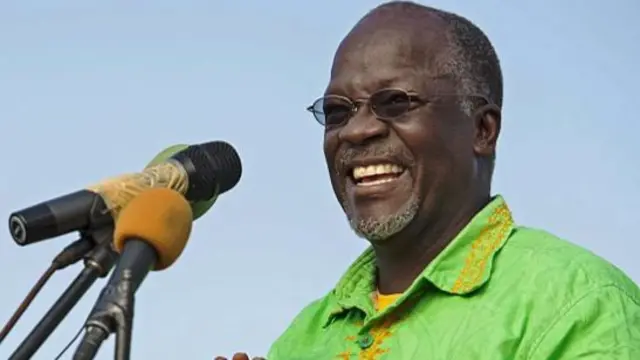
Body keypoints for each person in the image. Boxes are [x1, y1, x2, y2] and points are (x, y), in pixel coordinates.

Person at [217, 1, 640, 359]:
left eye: (395, 102)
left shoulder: (576, 303)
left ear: (482, 130)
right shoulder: (303, 338)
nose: (356, 131)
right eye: (337, 111)